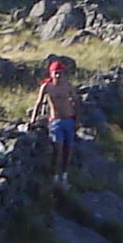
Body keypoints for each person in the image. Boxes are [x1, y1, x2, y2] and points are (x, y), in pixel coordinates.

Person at [30, 56, 80, 186]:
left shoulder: (68, 86)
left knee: (68, 149)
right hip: (55, 121)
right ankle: (55, 175)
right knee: (58, 148)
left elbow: (76, 102)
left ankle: (64, 175)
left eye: (60, 73)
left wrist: (77, 119)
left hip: (69, 120)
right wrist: (32, 120)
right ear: (51, 73)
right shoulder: (47, 87)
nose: (58, 75)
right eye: (55, 72)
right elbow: (38, 103)